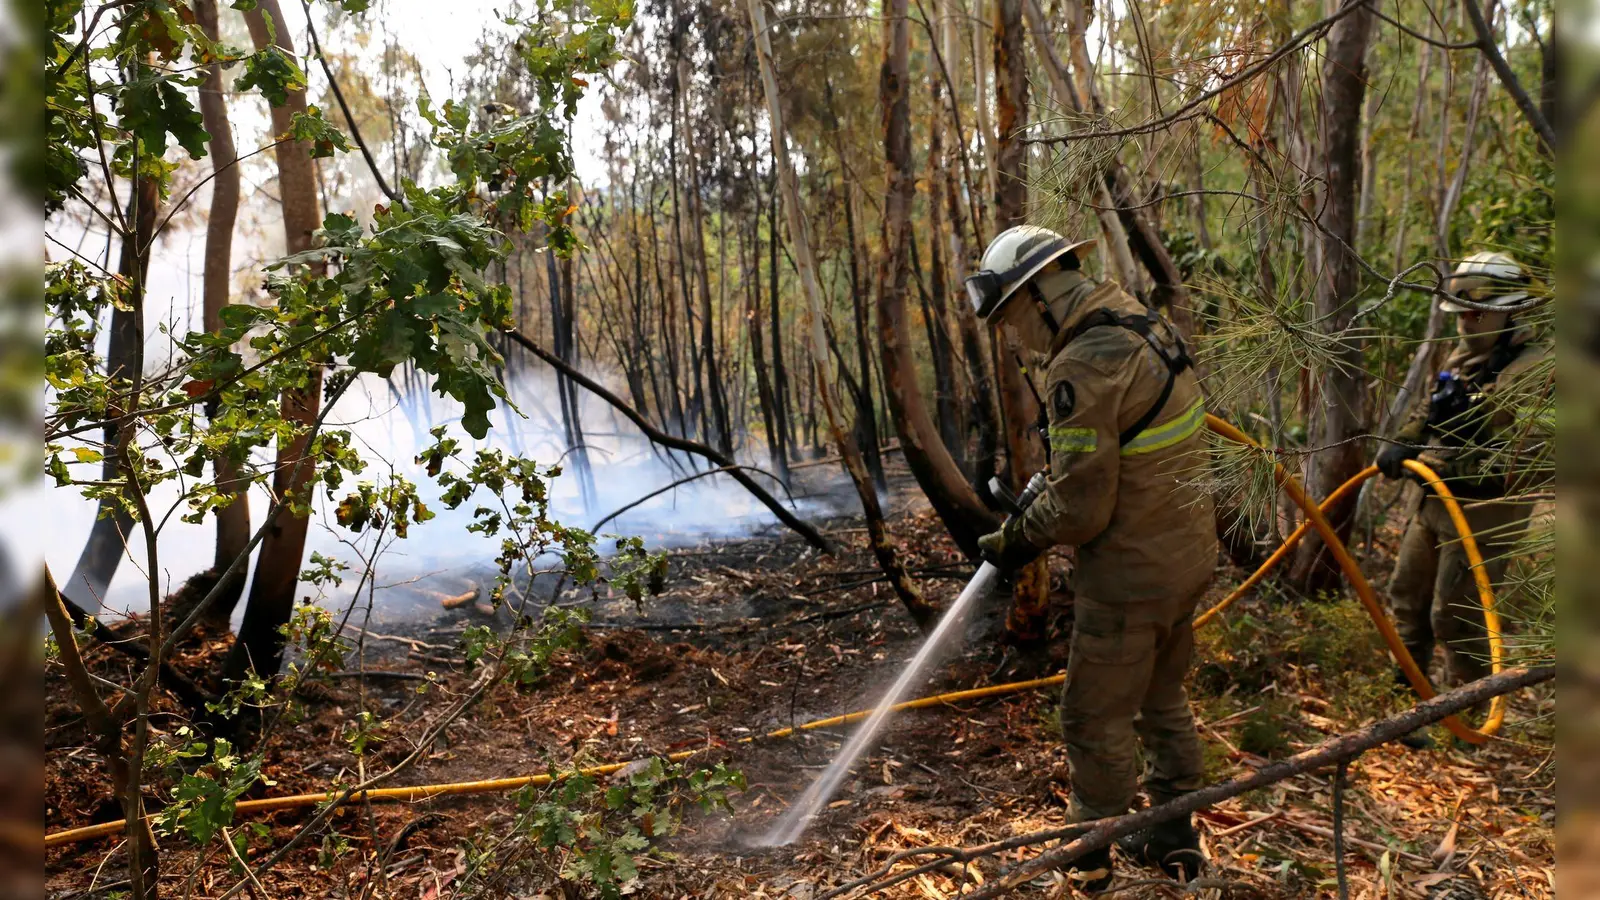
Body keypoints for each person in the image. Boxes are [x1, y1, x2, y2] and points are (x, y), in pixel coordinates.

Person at [969, 225, 1217, 890]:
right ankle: (1174, 832)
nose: (1014, 335)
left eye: (1012, 318)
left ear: (1040, 295)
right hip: (1185, 553)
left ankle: (1090, 853)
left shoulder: (1082, 362)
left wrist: (1014, 541)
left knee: (1093, 711)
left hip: (1132, 574)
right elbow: (1109, 455)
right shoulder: (1136, 319)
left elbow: (1081, 512)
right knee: (1162, 696)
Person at [1375, 251, 1545, 697]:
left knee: (1456, 616)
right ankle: (1407, 696)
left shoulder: (1538, 372)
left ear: (1510, 313)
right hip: (1433, 504)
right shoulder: (1463, 354)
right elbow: (1432, 407)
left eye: (1476, 315)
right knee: (1406, 597)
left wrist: (1442, 464)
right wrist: (1406, 440)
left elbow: (1528, 458)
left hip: (1485, 513)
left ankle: (1464, 713)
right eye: (1460, 315)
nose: (1465, 325)